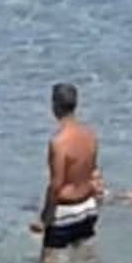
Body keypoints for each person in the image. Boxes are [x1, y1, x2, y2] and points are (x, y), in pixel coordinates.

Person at [34, 82, 101, 250]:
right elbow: (93, 172)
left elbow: (56, 184)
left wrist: (44, 218)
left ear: (55, 106)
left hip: (66, 211)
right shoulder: (90, 135)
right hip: (88, 207)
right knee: (85, 261)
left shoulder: (58, 143)